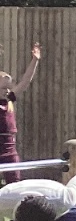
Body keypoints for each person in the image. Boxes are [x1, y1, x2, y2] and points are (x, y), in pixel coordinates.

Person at [0, 42, 42, 183]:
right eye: (3, 88)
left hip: (9, 150)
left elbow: (25, 82)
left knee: (15, 183)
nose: (7, 90)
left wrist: (35, 60)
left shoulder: (9, 100)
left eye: (8, 87)